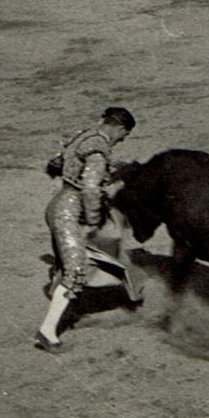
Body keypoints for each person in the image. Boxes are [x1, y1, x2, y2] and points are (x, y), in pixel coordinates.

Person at [36, 106, 139, 352]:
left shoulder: (81, 136)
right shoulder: (98, 149)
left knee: (68, 264)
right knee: (74, 270)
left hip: (57, 205)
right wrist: (94, 220)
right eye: (123, 135)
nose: (122, 140)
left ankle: (66, 309)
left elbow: (55, 165)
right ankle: (47, 332)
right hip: (70, 214)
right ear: (120, 128)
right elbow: (91, 188)